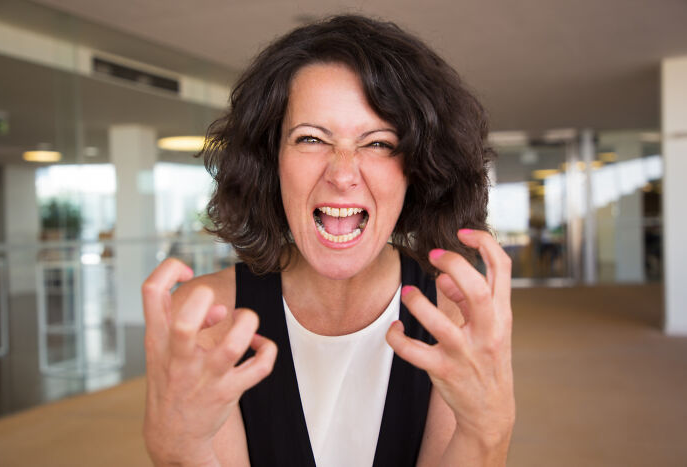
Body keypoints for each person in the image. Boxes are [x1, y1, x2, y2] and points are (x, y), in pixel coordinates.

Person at [141, 15, 515, 467]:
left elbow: (480, 442)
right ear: (271, 159)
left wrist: (489, 431)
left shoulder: (454, 321)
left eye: (377, 143)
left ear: (417, 168)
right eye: (312, 138)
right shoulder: (207, 320)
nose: (341, 174)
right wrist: (176, 450)